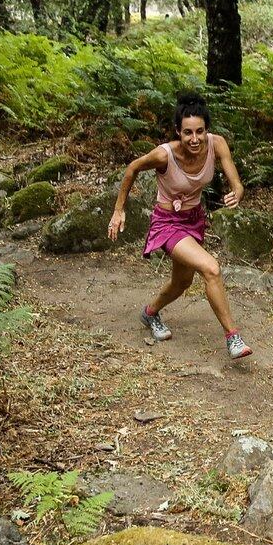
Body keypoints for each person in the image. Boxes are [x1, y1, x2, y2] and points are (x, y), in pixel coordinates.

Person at [107, 94, 253, 361]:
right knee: (211, 268)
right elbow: (132, 169)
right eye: (188, 133)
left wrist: (237, 192)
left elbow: (237, 182)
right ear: (178, 132)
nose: (194, 139)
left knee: (182, 281)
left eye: (200, 131)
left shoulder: (217, 144)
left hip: (194, 219)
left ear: (207, 130)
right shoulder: (165, 155)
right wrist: (118, 210)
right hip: (168, 223)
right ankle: (233, 337)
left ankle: (150, 313)